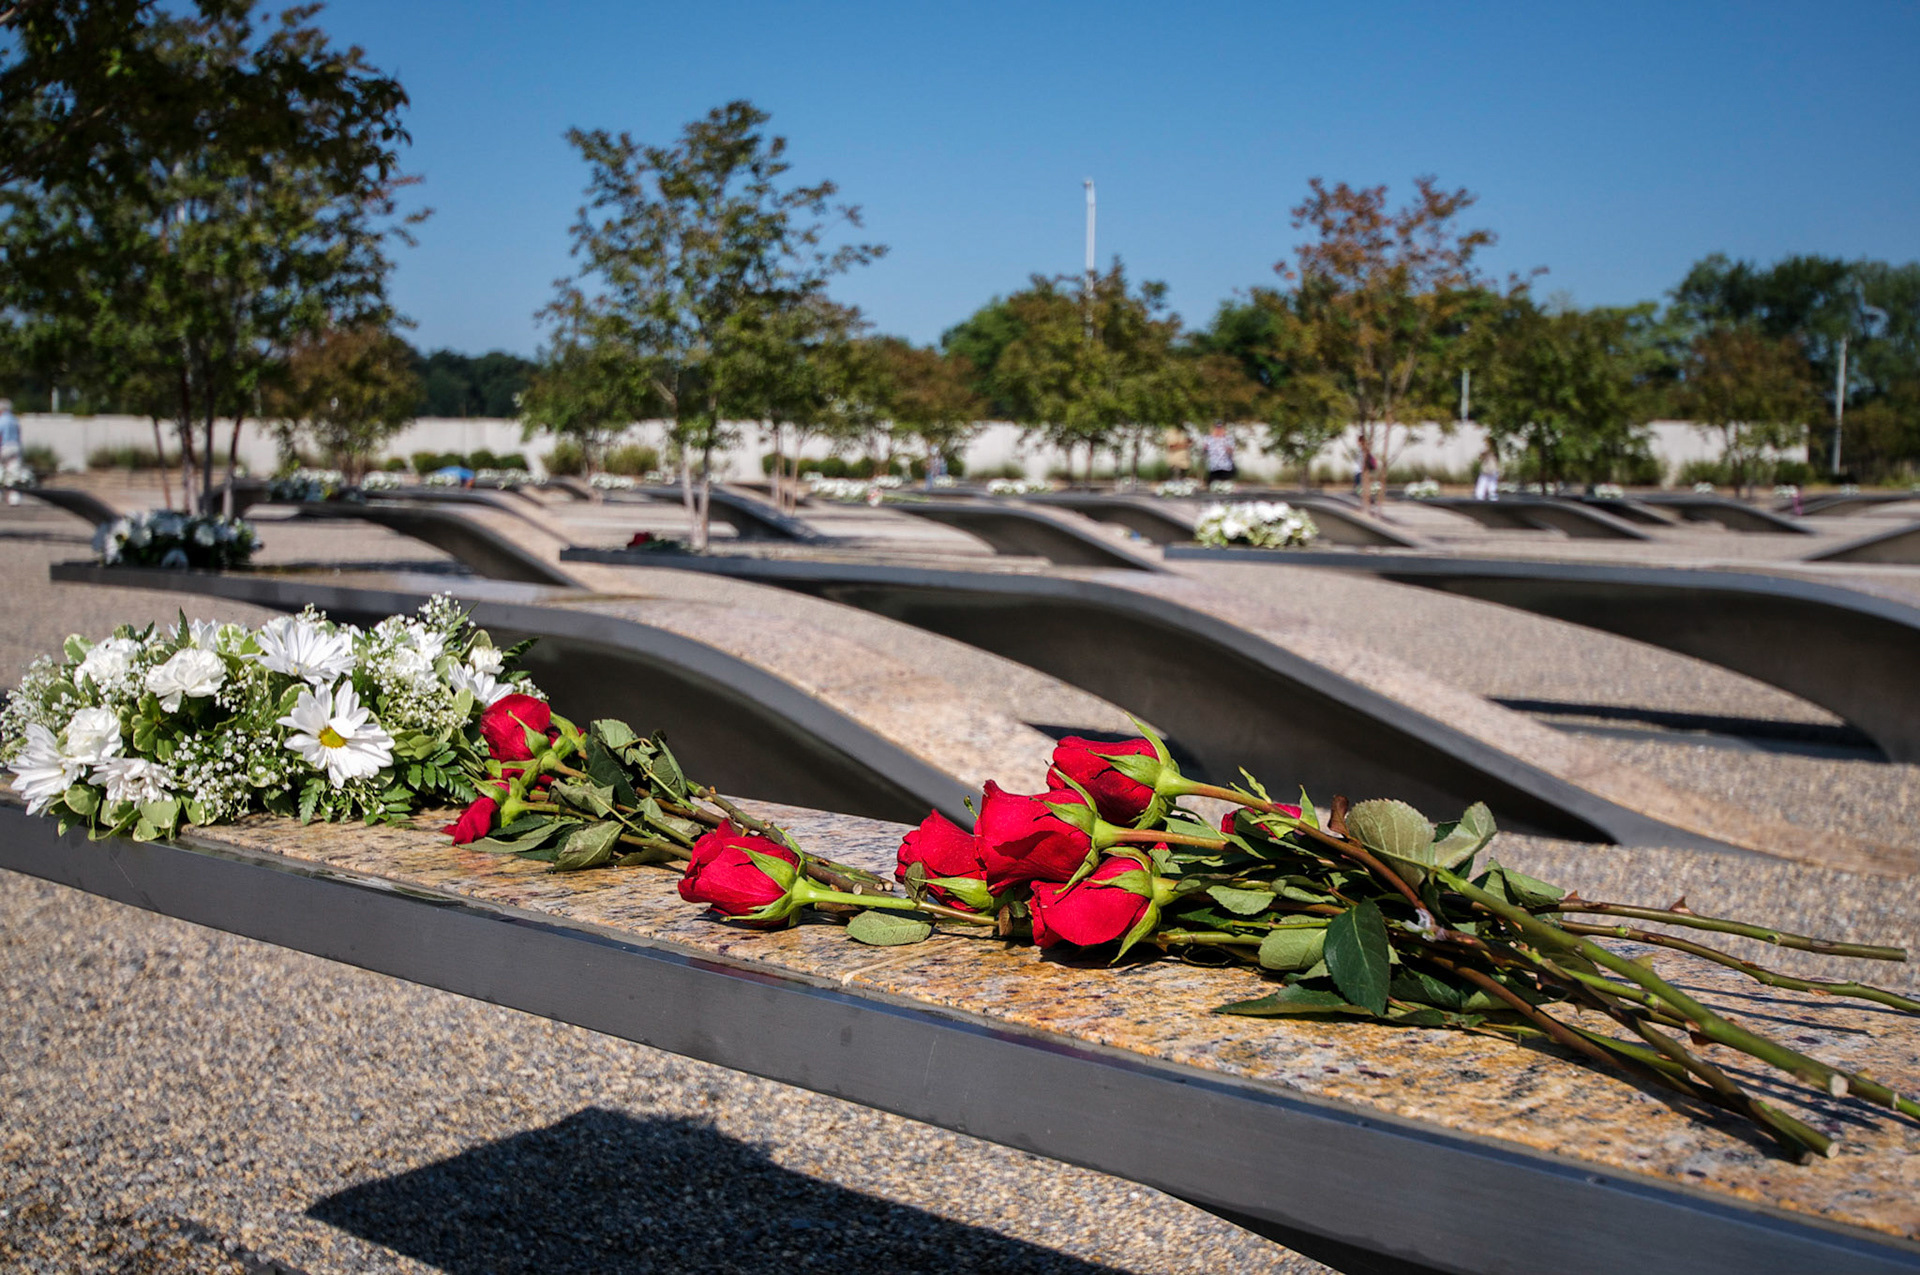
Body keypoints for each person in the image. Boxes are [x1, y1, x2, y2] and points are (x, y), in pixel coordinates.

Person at [0, 399, 20, 505]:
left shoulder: (1, 420)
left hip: (4, 446)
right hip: (15, 447)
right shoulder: (14, 420)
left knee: (0, 471)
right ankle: (14, 498)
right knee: (13, 473)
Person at [1354, 434, 1381, 511]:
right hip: (1359, 472)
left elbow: (1363, 461)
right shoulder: (1363, 450)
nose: (1357, 443)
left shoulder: (1364, 450)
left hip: (1360, 472)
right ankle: (1369, 502)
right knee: (1360, 489)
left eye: (1358, 441)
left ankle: (1370, 502)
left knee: (1360, 489)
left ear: (1360, 441)